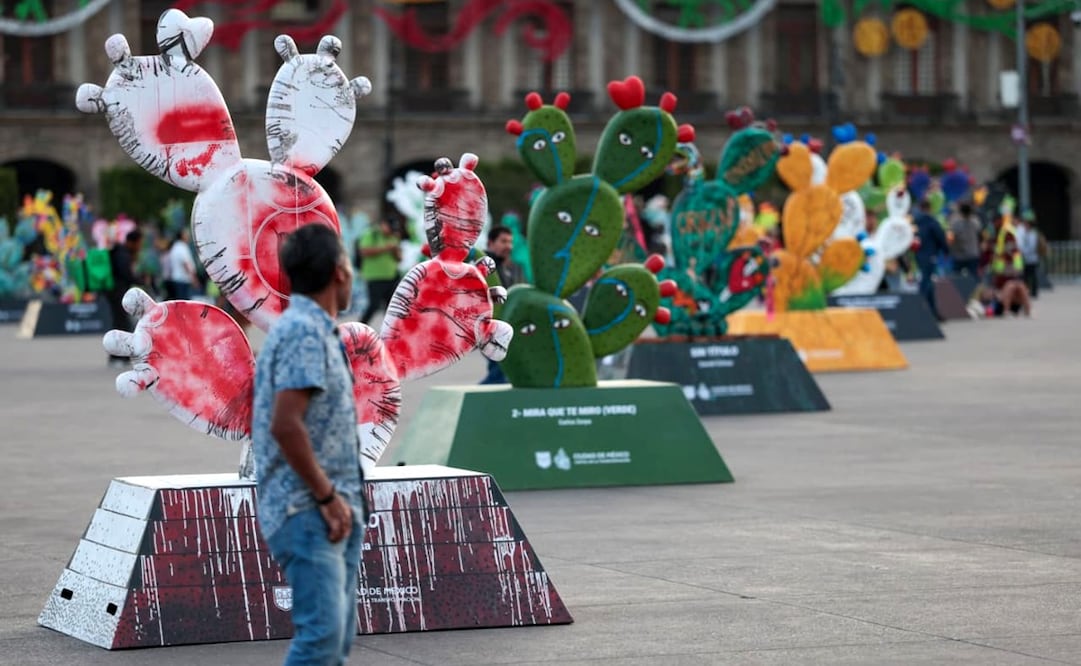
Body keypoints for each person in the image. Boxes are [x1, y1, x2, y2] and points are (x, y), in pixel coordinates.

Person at [252, 224, 364, 666]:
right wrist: (327, 495)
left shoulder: (313, 328)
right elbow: (286, 424)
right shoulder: (303, 331)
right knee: (320, 641)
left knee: (333, 646)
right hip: (309, 509)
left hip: (329, 509)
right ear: (340, 271)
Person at [480, 225, 520, 385]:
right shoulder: (485, 266)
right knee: (499, 375)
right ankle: (467, 402)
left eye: (510, 242)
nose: (508, 246)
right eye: (503, 241)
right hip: (491, 330)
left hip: (500, 330)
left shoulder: (503, 266)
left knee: (499, 374)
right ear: (490, 243)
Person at [106, 229, 143, 367]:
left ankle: (118, 356)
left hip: (114, 292)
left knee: (120, 322)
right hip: (118, 292)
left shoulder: (120, 252)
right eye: (139, 243)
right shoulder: (123, 254)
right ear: (132, 242)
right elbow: (125, 274)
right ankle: (118, 356)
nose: (140, 246)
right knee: (122, 324)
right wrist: (139, 280)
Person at [358, 217, 401, 324]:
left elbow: (399, 258)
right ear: (383, 224)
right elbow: (364, 252)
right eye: (390, 228)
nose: (391, 231)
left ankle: (391, 330)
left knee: (391, 306)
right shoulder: (371, 234)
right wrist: (385, 248)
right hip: (375, 277)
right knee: (374, 305)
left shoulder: (393, 236)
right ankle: (361, 326)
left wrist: (395, 250)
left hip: (391, 277)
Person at [913, 199, 949, 321]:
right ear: (929, 208)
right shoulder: (931, 222)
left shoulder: (915, 222)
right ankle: (920, 308)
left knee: (927, 282)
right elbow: (940, 237)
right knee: (927, 282)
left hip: (917, 256)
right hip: (930, 255)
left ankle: (933, 312)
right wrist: (945, 250)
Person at [949, 202, 981, 278]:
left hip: (959, 255)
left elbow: (951, 238)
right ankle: (974, 289)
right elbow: (980, 235)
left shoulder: (956, 224)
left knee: (956, 278)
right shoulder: (975, 222)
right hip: (973, 254)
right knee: (974, 278)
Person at [166, 228, 197, 300]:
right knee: (185, 303)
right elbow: (186, 263)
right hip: (183, 280)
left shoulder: (174, 247)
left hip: (176, 279)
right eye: (186, 234)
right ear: (182, 236)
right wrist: (193, 278)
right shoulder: (182, 247)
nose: (188, 236)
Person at [1016, 210, 1041, 298]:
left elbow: (1031, 246)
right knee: (1025, 276)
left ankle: (1033, 292)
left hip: (1031, 258)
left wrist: (1022, 251)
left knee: (1032, 276)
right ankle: (1026, 291)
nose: (1025, 224)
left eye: (1026, 223)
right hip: (1025, 258)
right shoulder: (1023, 231)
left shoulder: (1033, 233)